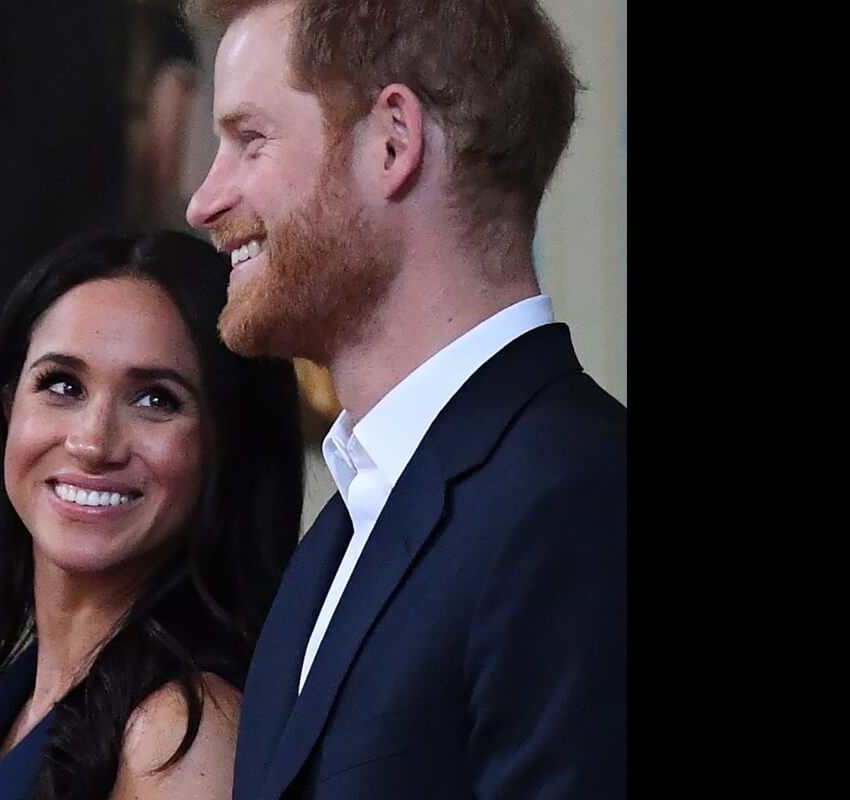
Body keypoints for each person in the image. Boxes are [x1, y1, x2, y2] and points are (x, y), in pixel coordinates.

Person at [181, 1, 627, 797]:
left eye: (249, 141)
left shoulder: (578, 496)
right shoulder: (340, 538)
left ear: (393, 141)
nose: (205, 201)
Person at [0, 230, 305, 800]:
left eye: (155, 400)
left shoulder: (183, 730)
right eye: (62, 385)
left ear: (227, 445)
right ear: (7, 409)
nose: (93, 444)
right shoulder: (22, 696)